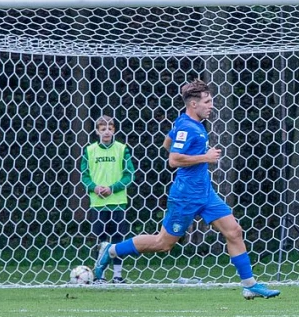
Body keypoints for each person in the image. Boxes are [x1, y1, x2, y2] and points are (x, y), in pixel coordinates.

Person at [93, 80, 280, 299]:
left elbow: (167, 143)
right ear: (193, 104)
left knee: (234, 231)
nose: (211, 106)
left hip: (205, 193)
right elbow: (173, 159)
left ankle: (250, 285)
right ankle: (111, 250)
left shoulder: (187, 122)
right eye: (207, 102)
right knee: (163, 244)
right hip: (185, 196)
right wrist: (205, 157)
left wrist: (197, 155)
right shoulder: (187, 127)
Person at [80, 115, 135, 283]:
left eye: (110, 129)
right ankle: (100, 276)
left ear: (114, 130)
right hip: (98, 203)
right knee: (100, 241)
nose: (106, 132)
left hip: (118, 202)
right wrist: (94, 187)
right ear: (97, 131)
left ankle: (117, 275)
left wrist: (112, 188)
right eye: (103, 129)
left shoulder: (122, 149)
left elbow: (129, 175)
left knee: (118, 241)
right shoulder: (89, 150)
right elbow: (84, 175)